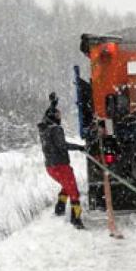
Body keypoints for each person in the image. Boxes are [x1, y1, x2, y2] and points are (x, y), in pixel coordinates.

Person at [38, 92, 86, 229]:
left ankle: (59, 208)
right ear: (54, 117)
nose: (60, 117)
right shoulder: (56, 129)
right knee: (74, 192)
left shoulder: (44, 129)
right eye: (58, 115)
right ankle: (76, 220)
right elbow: (62, 145)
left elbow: (46, 117)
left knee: (67, 186)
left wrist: (53, 105)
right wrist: (80, 147)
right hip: (61, 166)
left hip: (50, 167)